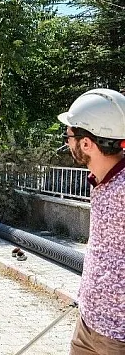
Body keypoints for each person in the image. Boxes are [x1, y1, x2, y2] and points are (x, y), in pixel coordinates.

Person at [58, 88, 125, 354]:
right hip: (88, 323)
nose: (67, 141)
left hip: (117, 337)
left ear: (87, 144)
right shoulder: (100, 181)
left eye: (70, 135)